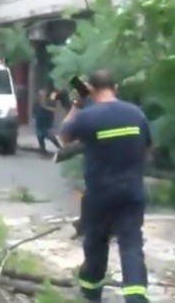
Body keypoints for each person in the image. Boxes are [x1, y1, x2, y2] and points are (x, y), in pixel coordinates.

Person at [59, 69, 151, 303]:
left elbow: (64, 137)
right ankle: (135, 296)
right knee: (131, 244)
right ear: (115, 88)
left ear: (90, 89)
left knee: (96, 244)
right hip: (131, 191)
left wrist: (78, 104)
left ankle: (91, 295)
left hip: (100, 194)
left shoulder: (87, 116)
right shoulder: (136, 114)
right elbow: (148, 149)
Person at [33, 89, 61, 154]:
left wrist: (45, 108)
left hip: (47, 122)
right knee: (40, 137)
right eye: (40, 95)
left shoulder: (49, 101)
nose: (41, 96)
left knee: (51, 136)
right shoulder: (36, 102)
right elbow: (34, 111)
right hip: (39, 122)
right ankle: (43, 150)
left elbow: (53, 110)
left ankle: (60, 148)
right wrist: (34, 119)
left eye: (42, 94)